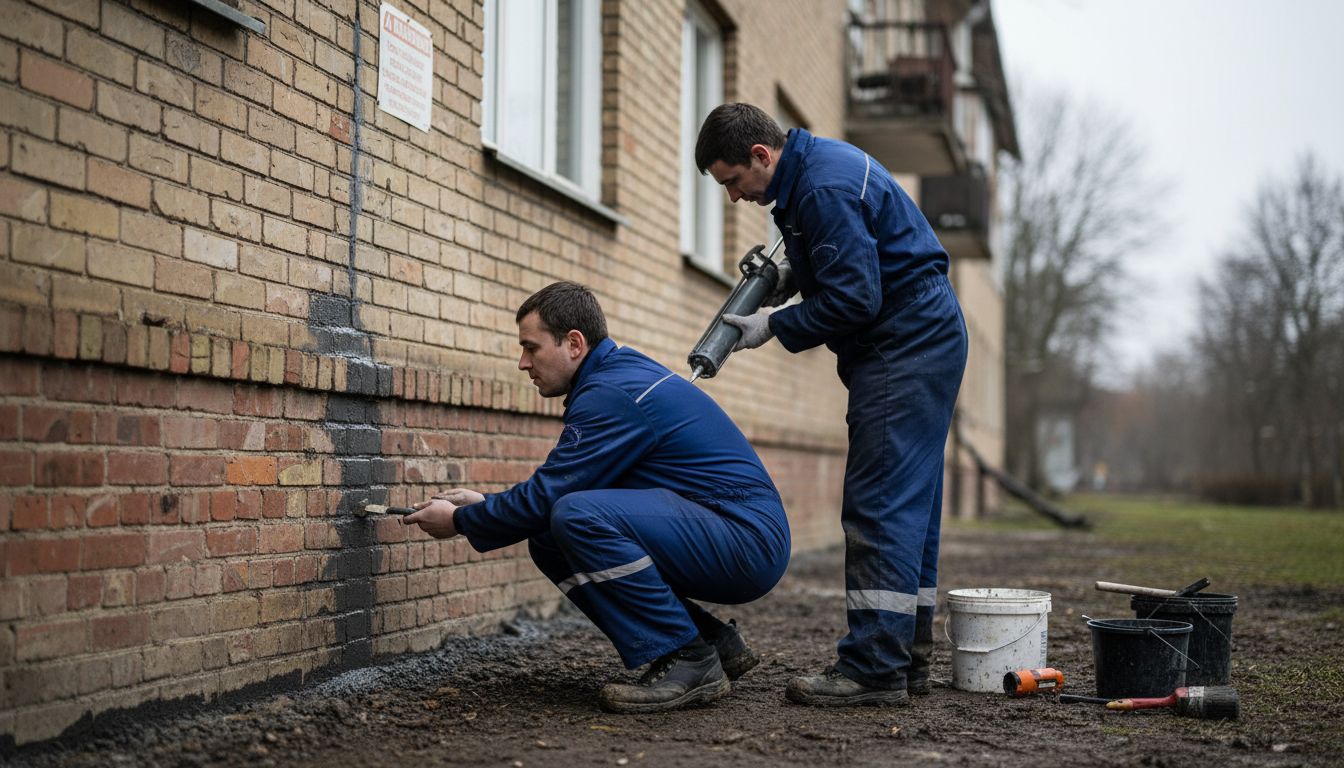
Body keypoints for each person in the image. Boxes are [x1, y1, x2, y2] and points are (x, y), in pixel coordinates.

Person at [402, 281, 790, 714]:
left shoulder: (612, 394)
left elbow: (553, 494)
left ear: (573, 343)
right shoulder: (614, 378)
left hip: (745, 541)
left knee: (574, 514)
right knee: (550, 533)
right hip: (729, 530)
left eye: (531, 348)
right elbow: (552, 494)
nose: (522, 363)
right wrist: (485, 505)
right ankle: (712, 641)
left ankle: (689, 660)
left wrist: (459, 522)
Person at [694, 103, 967, 707]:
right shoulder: (817, 171)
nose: (735, 198)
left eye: (733, 182)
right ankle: (905, 660)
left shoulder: (820, 188)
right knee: (910, 504)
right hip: (922, 334)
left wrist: (776, 326)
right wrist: (796, 273)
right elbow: (852, 259)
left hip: (905, 341)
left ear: (761, 156)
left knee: (879, 503)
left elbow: (856, 299)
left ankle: (872, 669)